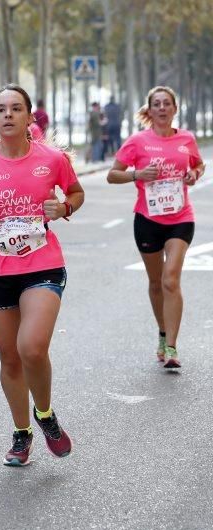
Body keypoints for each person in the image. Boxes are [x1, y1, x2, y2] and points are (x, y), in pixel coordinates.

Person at [0, 84, 84, 467]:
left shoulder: (52, 159)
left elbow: (75, 193)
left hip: (41, 264)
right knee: (11, 359)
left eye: (16, 108)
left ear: (30, 117)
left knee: (32, 348)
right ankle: (21, 431)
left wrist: (63, 208)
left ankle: (45, 415)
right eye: (1, 109)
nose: (8, 114)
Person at [106, 86, 205, 369]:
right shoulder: (137, 142)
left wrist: (193, 174)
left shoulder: (186, 138)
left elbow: (199, 165)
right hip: (148, 220)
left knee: (170, 280)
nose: (162, 108)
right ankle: (162, 333)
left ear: (175, 108)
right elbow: (113, 175)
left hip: (180, 218)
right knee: (155, 282)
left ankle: (172, 347)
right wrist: (137, 174)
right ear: (149, 111)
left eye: (166, 103)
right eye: (156, 104)